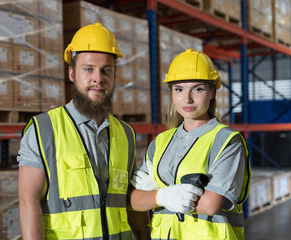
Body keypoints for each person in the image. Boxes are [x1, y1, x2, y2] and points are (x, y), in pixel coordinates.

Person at [17, 22, 149, 240]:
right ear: (71, 73)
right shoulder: (44, 130)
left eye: (106, 70)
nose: (98, 78)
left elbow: (128, 202)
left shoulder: (126, 134)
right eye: (88, 69)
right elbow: (28, 202)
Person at [129, 49, 251, 240]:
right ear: (171, 93)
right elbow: (134, 200)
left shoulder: (226, 141)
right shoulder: (161, 142)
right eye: (179, 89)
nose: (187, 99)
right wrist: (163, 196)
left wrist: (155, 195)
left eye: (198, 89)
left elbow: (211, 204)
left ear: (212, 91)